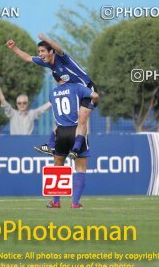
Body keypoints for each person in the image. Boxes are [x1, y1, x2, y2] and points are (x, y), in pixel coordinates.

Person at [6, 33, 98, 159]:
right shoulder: (47, 62)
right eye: (39, 51)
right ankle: (51, 145)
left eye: (43, 51)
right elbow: (27, 58)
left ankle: (76, 149)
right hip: (74, 93)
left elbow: (59, 49)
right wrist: (14, 48)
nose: (40, 54)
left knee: (82, 118)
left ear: (51, 51)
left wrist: (46, 39)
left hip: (87, 89)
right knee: (60, 119)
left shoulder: (63, 59)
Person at [47, 73, 99, 209]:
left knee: (58, 166)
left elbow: (56, 119)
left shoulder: (52, 94)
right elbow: (94, 96)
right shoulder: (76, 87)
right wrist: (91, 105)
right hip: (77, 129)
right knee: (80, 167)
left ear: (55, 78)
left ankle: (56, 202)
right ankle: (75, 203)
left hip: (61, 132)